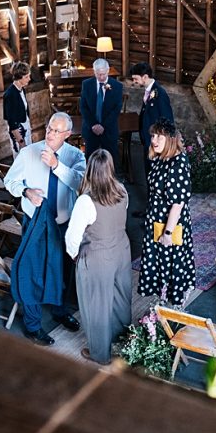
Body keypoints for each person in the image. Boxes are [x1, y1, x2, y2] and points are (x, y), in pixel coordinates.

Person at [4, 112, 87, 346]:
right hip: (35, 223)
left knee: (62, 271)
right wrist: (26, 192)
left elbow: (80, 184)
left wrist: (57, 166)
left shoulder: (75, 156)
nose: (50, 134)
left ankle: (60, 311)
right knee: (31, 272)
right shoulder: (28, 152)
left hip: (63, 224)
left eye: (56, 131)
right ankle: (32, 325)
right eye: (49, 128)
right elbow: (10, 181)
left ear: (68, 134)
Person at [65, 149, 132, 365]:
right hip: (121, 249)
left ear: (90, 170)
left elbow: (72, 237)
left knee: (96, 304)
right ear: (110, 168)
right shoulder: (122, 190)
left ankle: (99, 354)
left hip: (97, 256)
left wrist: (75, 256)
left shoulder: (86, 201)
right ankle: (125, 339)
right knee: (121, 296)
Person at [138, 119, 195, 307]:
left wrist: (167, 233)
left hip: (170, 224)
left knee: (172, 263)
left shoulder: (177, 163)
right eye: (153, 135)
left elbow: (177, 204)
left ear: (170, 139)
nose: (154, 140)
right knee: (159, 263)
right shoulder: (161, 158)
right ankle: (162, 300)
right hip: (156, 221)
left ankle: (175, 307)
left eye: (159, 136)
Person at [79, 58, 123, 163]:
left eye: (104, 74)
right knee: (90, 159)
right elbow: (83, 107)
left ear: (108, 71)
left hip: (108, 129)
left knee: (110, 160)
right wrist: (93, 125)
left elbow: (116, 109)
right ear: (94, 72)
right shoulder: (86, 84)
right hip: (91, 129)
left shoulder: (117, 86)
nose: (101, 77)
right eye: (98, 74)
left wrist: (103, 126)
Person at [129, 62, 174, 151]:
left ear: (145, 77)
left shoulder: (160, 94)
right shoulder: (149, 91)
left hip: (155, 143)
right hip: (148, 140)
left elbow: (167, 119)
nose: (134, 82)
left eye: (135, 78)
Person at [3, 61, 33, 154]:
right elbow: (12, 123)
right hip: (18, 133)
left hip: (26, 128)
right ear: (19, 78)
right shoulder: (10, 95)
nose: (29, 79)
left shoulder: (22, 89)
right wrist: (21, 141)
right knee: (21, 160)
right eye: (26, 77)